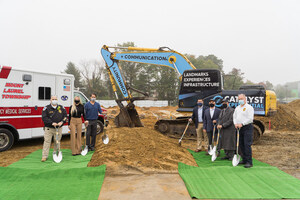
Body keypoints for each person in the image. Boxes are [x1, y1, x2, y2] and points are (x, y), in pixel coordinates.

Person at [41, 95, 67, 162]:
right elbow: (44, 118)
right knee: (47, 142)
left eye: (55, 99)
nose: (54, 100)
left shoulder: (61, 108)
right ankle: (44, 156)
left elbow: (65, 116)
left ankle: (56, 153)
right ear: (50, 100)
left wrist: (62, 122)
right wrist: (52, 123)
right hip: (49, 128)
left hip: (58, 128)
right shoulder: (46, 108)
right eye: (53, 99)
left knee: (57, 141)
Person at [233, 93, 254, 168]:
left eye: (241, 99)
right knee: (241, 145)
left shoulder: (249, 107)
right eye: (239, 99)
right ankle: (244, 159)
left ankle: (249, 162)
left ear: (245, 99)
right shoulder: (237, 108)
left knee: (247, 145)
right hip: (239, 128)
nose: (240, 100)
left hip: (247, 128)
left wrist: (242, 123)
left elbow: (250, 119)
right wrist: (235, 123)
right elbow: (234, 117)